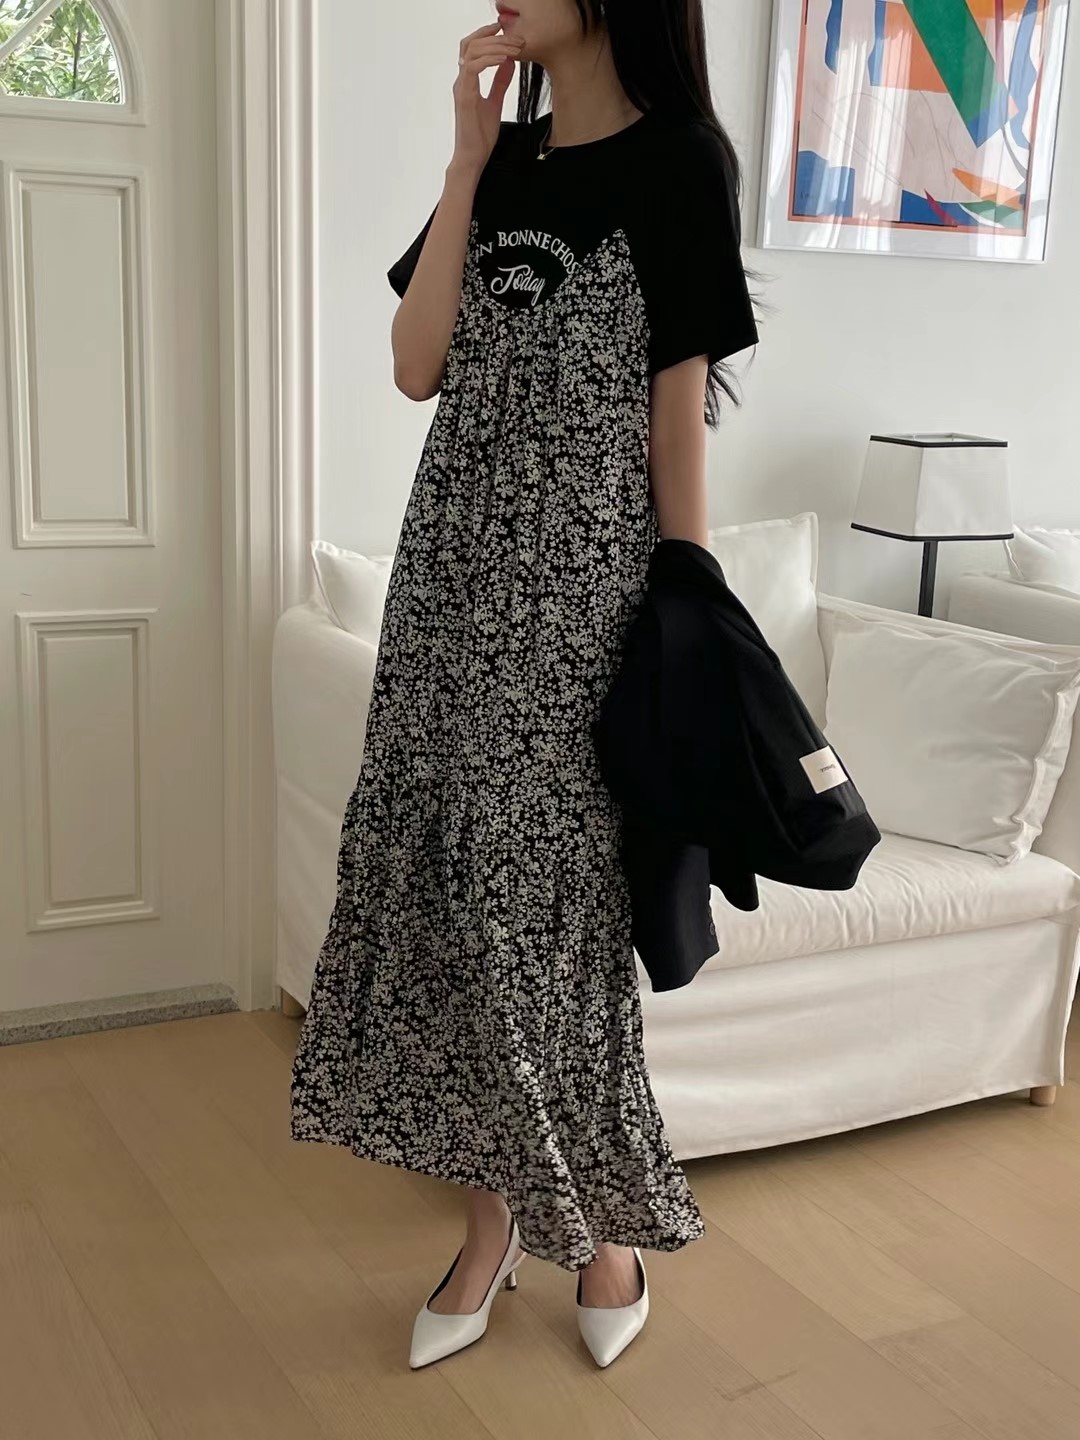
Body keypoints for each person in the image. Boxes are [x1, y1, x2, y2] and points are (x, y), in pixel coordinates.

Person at [289, 0, 761, 1371]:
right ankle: (494, 1228)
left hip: (580, 602)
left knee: (548, 910)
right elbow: (415, 365)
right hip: (445, 584)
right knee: (449, 897)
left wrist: (687, 609)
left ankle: (601, 1233)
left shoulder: (682, 162)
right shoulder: (502, 165)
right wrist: (463, 158)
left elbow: (679, 408)